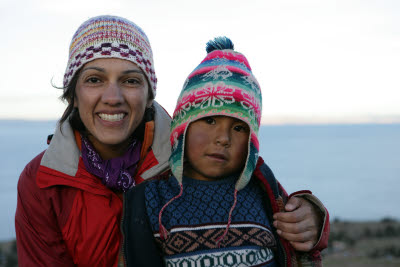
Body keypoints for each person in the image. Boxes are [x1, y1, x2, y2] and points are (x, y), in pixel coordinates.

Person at [15, 15, 328, 267]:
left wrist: (311, 218)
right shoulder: (44, 181)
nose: (113, 97)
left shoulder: (198, 152)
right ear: (73, 91)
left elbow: (276, 210)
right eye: (94, 79)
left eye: (131, 80)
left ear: (149, 93)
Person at [123, 37, 328, 266]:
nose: (223, 138)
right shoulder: (152, 198)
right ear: (183, 127)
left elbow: (304, 238)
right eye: (209, 120)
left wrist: (317, 218)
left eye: (239, 128)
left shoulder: (264, 189)